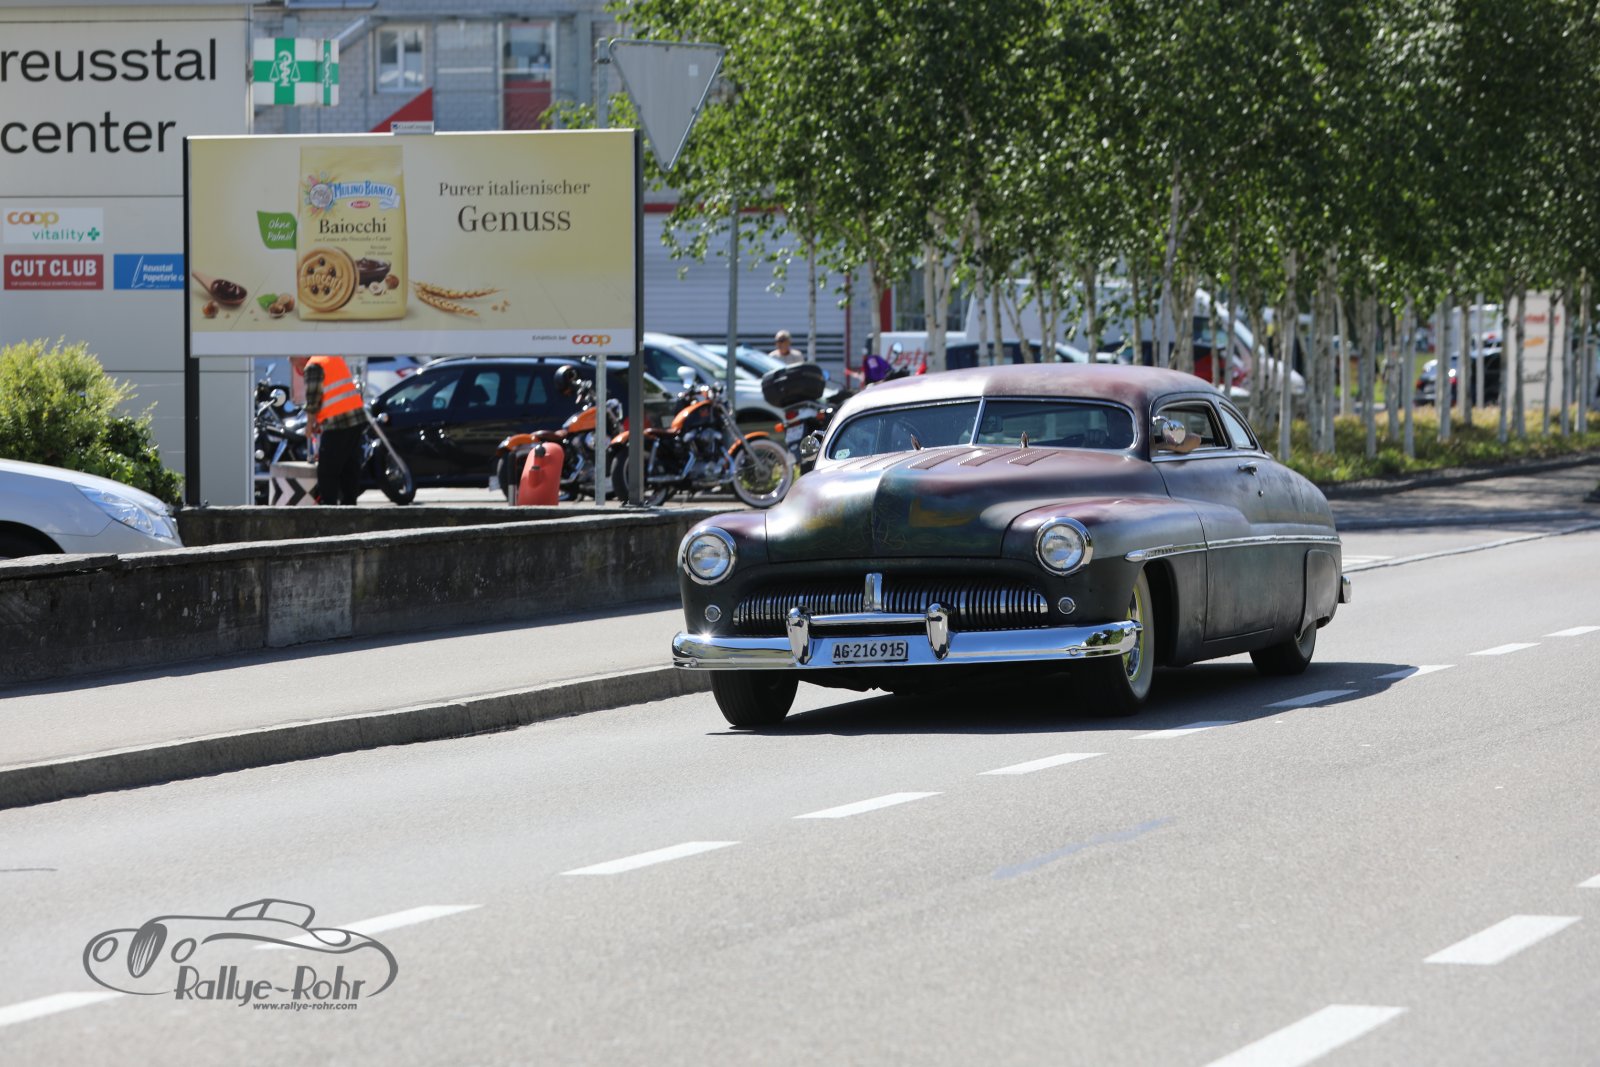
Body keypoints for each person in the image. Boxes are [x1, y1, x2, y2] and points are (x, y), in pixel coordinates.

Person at [290, 354, 366, 505]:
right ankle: (350, 507)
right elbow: (333, 395)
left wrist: (309, 425)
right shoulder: (331, 358)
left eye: (294, 362)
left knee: (327, 471)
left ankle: (329, 509)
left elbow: (313, 401)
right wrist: (319, 421)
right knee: (349, 467)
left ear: (300, 357)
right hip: (356, 419)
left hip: (338, 424)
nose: (295, 368)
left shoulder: (313, 366)